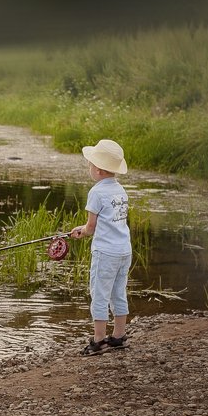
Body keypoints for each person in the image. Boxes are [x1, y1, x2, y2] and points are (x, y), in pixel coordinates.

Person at [68, 139, 132, 356]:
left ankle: (98, 341)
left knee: (99, 294)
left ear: (98, 169)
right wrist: (85, 228)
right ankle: (119, 336)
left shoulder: (96, 192)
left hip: (106, 252)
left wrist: (81, 232)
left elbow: (92, 227)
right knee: (118, 292)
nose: (89, 168)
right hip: (124, 250)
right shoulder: (120, 190)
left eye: (90, 164)